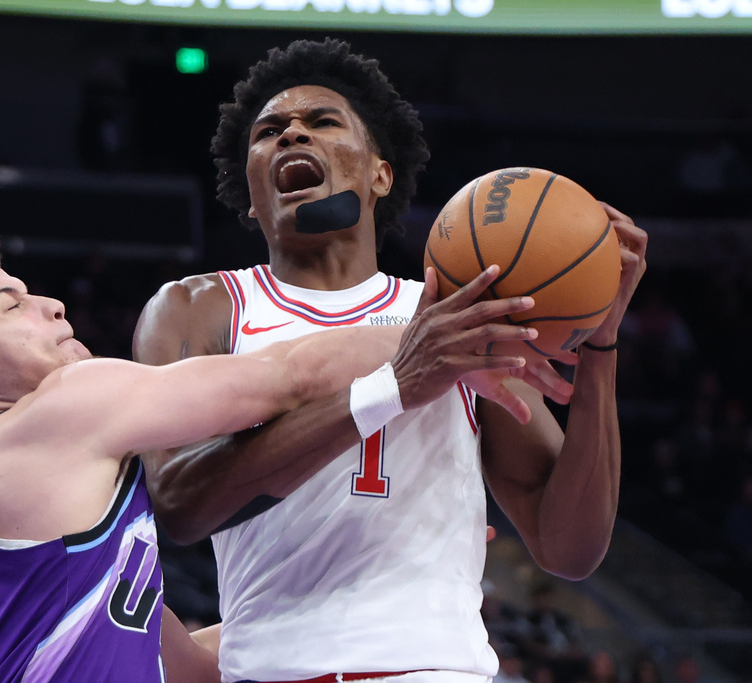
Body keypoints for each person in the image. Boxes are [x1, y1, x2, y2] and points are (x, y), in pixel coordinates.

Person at [0, 199, 537, 682]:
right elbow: (286, 374)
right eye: (9, 304)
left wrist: (383, 588)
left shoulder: (10, 521)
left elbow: (192, 668)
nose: (51, 304)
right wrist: (444, 338)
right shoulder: (54, 416)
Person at [133, 37, 648, 683]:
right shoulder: (200, 308)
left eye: (322, 121)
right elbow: (179, 503)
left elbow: (569, 548)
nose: (292, 133)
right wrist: (394, 385)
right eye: (268, 132)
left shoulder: (462, 320)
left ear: (379, 172)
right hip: (272, 670)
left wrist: (599, 344)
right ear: (252, 188)